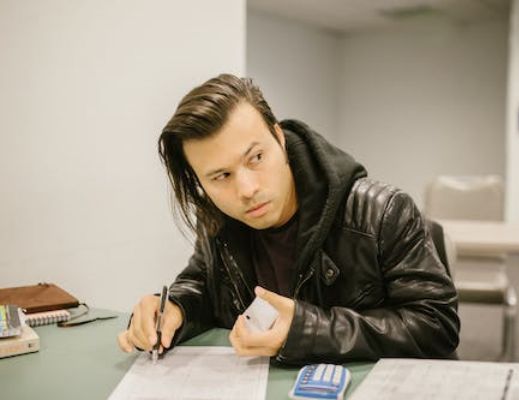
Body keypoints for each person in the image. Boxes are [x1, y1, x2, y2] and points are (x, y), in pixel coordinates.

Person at [117, 73, 460, 364]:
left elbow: (436, 324)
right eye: (221, 176)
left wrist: (306, 331)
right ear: (201, 183)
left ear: (279, 138)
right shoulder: (218, 220)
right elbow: (203, 286)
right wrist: (175, 308)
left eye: (256, 157)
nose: (247, 189)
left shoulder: (382, 212)